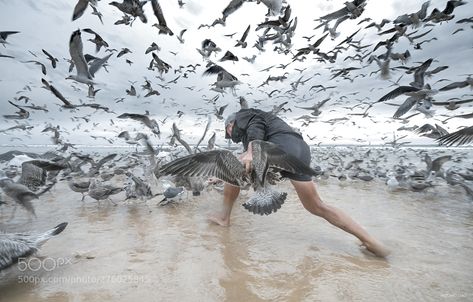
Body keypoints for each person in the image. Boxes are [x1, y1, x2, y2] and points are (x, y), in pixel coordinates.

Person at [208, 108, 390, 258]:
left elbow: (256, 124)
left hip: (279, 148)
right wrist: (219, 175)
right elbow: (244, 157)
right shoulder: (262, 130)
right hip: (299, 150)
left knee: (232, 170)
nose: (231, 136)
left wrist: (251, 151)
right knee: (317, 206)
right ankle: (370, 241)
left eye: (228, 132)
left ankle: (224, 218)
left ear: (230, 124)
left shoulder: (243, 115)